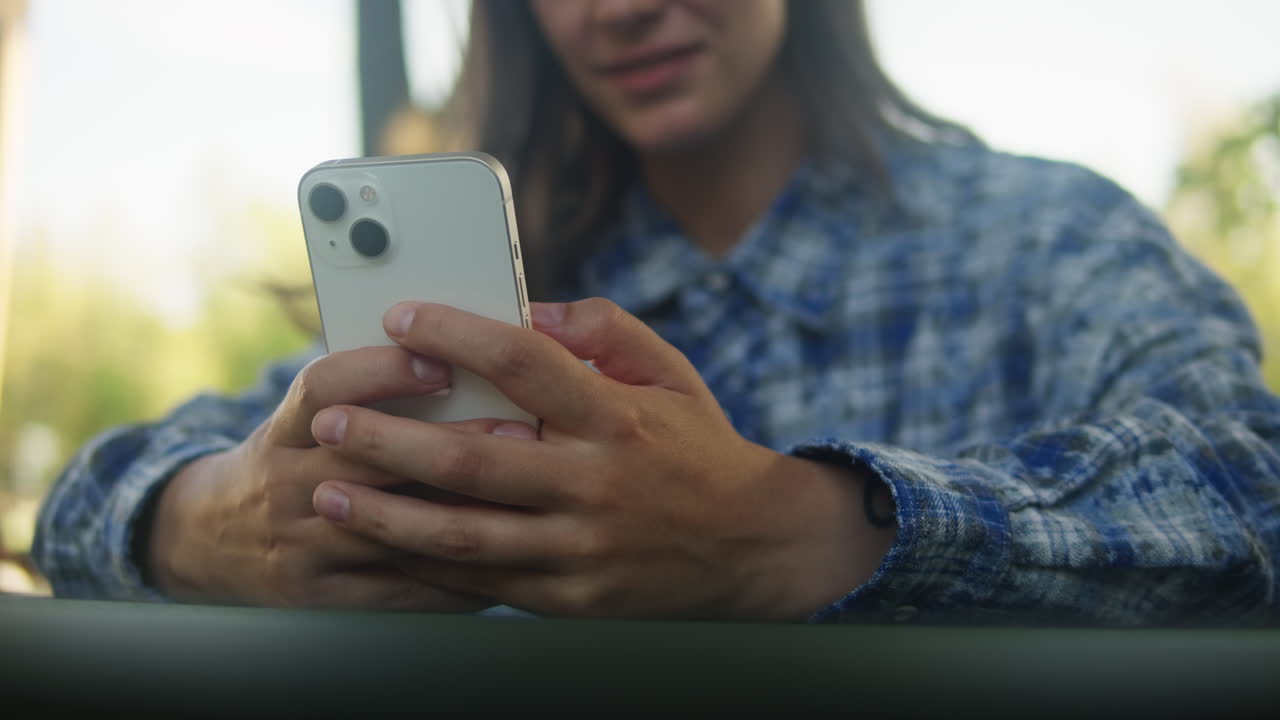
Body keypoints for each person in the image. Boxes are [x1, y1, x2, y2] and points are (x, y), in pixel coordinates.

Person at [33, 0, 1280, 624]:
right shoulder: (491, 297)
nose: (615, 8)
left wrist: (802, 532)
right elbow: (89, 500)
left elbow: (1252, 476)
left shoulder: (1047, 237)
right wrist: (222, 521)